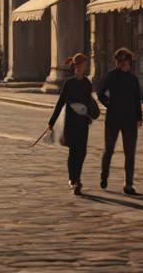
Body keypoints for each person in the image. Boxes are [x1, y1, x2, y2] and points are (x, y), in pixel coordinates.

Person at [47, 53, 99, 195]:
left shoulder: (87, 83)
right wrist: (51, 122)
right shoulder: (69, 83)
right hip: (71, 122)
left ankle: (77, 177)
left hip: (83, 123)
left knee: (82, 152)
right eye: (79, 64)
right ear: (75, 66)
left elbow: (88, 102)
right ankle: (73, 179)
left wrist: (89, 116)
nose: (81, 66)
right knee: (74, 151)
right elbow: (61, 102)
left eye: (83, 64)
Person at [97, 48, 143, 196]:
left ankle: (128, 185)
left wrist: (139, 117)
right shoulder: (111, 76)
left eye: (123, 61)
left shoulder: (133, 79)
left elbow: (137, 100)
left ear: (128, 62)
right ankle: (104, 175)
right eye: (119, 61)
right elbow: (100, 93)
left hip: (130, 120)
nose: (121, 63)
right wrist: (109, 105)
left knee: (130, 153)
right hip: (113, 119)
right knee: (109, 150)